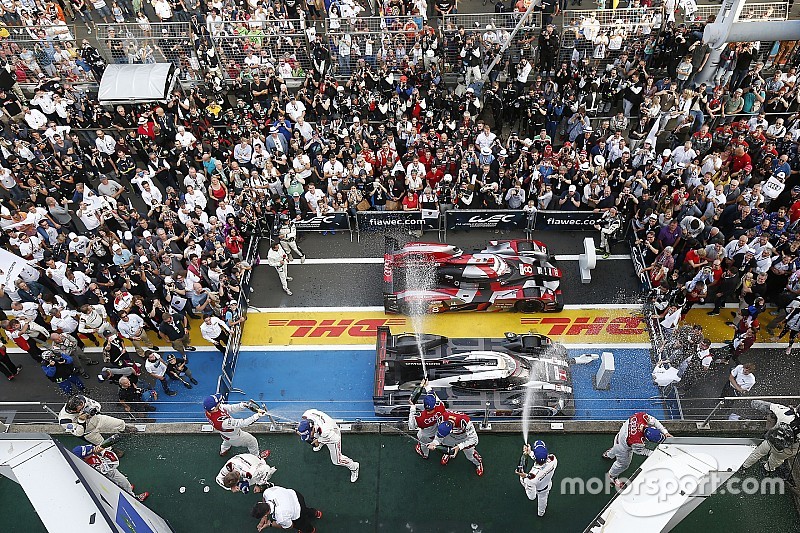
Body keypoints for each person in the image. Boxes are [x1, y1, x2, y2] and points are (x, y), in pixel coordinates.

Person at [602, 411, 672, 488]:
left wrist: (665, 432)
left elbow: (654, 421)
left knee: (615, 449)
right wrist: (654, 454)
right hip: (622, 448)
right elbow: (640, 451)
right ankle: (611, 476)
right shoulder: (637, 442)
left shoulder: (641, 416)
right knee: (623, 464)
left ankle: (608, 454)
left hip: (620, 436)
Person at [297, 408, 360, 482]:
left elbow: (336, 439)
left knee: (337, 461)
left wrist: (319, 440)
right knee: (315, 437)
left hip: (333, 435)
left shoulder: (324, 432)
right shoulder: (306, 415)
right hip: (323, 429)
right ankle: (321, 442)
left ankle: (354, 466)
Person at [72, 444, 150, 502]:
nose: (91, 452)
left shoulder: (87, 457)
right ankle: (134, 500)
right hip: (109, 476)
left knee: (126, 484)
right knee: (120, 491)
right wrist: (104, 452)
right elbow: (114, 462)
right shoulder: (93, 467)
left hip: (110, 472)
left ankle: (128, 489)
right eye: (87, 453)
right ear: (83, 458)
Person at [427, 410, 484, 476]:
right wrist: (434, 443)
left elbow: (474, 440)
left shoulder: (465, 422)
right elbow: (439, 436)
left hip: (464, 438)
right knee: (446, 445)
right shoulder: (441, 418)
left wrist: (460, 446)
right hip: (450, 436)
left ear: (451, 430)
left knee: (470, 456)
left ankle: (478, 463)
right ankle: (448, 453)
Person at [59, 394, 128, 445]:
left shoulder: (80, 398)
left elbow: (97, 405)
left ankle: (124, 429)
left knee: (120, 422)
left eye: (84, 406)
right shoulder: (64, 420)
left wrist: (92, 413)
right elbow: (79, 433)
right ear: (73, 411)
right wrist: (81, 420)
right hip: (89, 432)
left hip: (98, 419)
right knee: (103, 445)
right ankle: (114, 451)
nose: (84, 410)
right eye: (81, 409)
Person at [251, 485, 322, 532]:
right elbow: (264, 498)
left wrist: (270, 524)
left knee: (301, 524)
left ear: (266, 513)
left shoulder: (281, 517)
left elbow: (289, 526)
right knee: (305, 509)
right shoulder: (267, 492)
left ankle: (311, 530)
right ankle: (316, 513)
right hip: (297, 496)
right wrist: (264, 517)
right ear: (259, 503)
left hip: (297, 512)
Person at [517, 440, 558, 517]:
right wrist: (530, 453)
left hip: (536, 488)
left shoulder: (530, 479)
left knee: (524, 483)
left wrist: (522, 476)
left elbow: (532, 497)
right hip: (546, 487)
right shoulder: (553, 459)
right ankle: (541, 514)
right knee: (542, 506)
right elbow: (543, 459)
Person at [407, 382, 446, 459]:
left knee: (423, 445)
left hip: (426, 435)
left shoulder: (420, 418)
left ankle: (425, 455)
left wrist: (412, 407)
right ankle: (446, 455)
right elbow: (435, 397)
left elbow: (411, 426)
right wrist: (427, 386)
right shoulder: (441, 407)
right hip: (439, 432)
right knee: (442, 444)